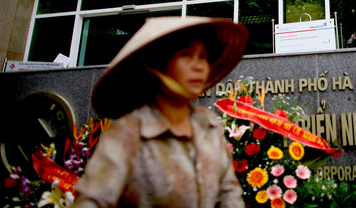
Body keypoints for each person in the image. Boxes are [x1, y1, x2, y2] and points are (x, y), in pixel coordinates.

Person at [74, 16, 249, 207]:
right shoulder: (129, 133)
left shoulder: (208, 125)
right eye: (186, 54)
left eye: (203, 57)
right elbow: (92, 201)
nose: (199, 67)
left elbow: (229, 194)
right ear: (159, 63)